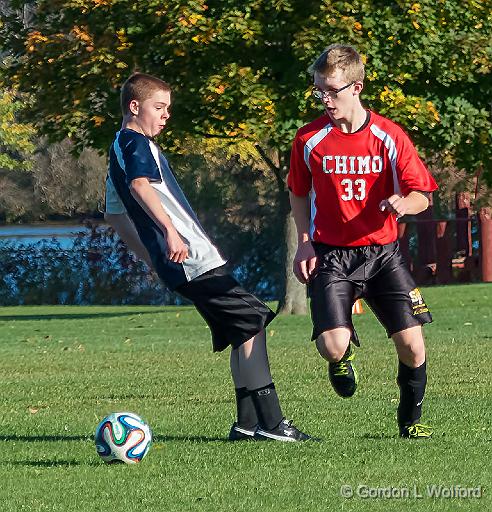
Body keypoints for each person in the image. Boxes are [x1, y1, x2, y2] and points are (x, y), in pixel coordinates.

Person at [104, 72, 311, 442]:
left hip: (184, 261)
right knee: (253, 320)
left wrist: (151, 258)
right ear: (134, 107)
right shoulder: (136, 144)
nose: (166, 115)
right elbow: (139, 187)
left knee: (242, 328)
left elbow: (115, 215)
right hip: (190, 259)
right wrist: (169, 232)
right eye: (158, 107)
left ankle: (247, 426)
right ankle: (273, 424)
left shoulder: (118, 148)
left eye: (168, 108)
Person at [288, 44, 438, 439]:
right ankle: (341, 359)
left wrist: (403, 202)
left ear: (356, 87)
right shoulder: (308, 139)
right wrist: (304, 242)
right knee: (331, 346)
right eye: (318, 90)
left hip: (384, 255)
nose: (324, 99)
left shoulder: (389, 136)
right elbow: (298, 194)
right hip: (332, 255)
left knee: (413, 346)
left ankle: (410, 424)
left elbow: (422, 194)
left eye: (332, 90)